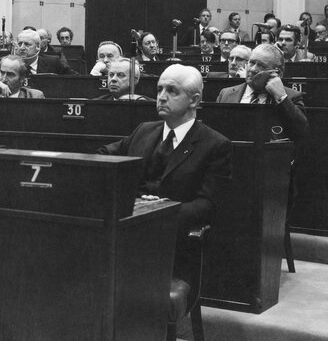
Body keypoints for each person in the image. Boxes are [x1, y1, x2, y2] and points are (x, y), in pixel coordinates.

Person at [97, 64, 232, 281]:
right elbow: (104, 155)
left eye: (172, 91)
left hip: (172, 235)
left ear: (194, 100)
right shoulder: (144, 130)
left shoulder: (215, 144)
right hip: (128, 223)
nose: (161, 97)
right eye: (159, 89)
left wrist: (160, 210)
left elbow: (207, 205)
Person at [216, 44, 309, 143]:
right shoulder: (226, 94)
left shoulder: (291, 97)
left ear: (278, 73)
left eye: (261, 66)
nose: (252, 69)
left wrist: (281, 98)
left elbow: (302, 133)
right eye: (251, 63)